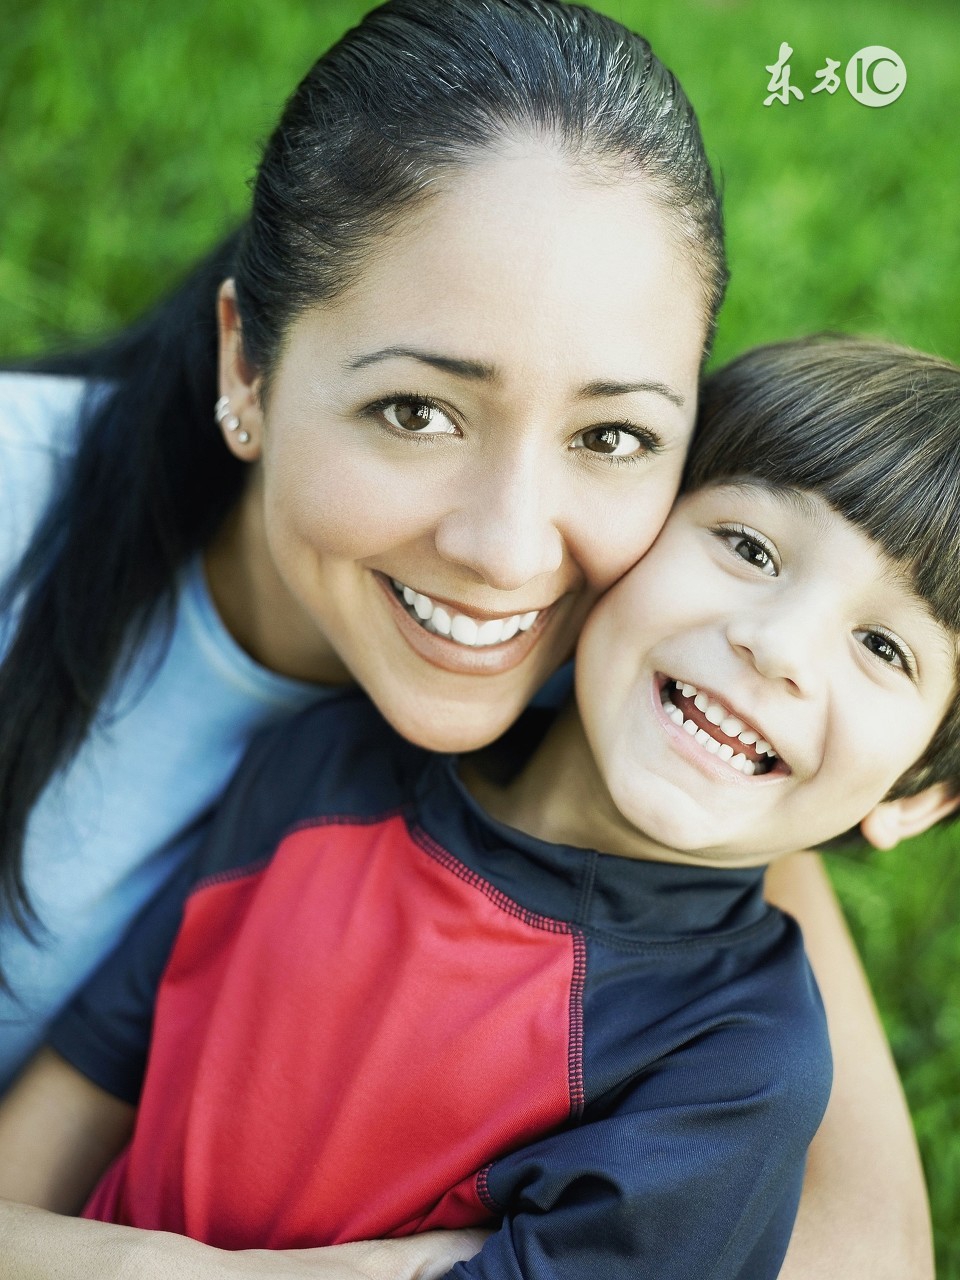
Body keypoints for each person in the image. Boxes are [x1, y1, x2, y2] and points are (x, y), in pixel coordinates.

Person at [0, 2, 932, 1276]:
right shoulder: (47, 535)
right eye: (415, 408)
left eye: (610, 437)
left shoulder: (677, 785)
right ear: (249, 367)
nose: (508, 547)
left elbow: (859, 1250)